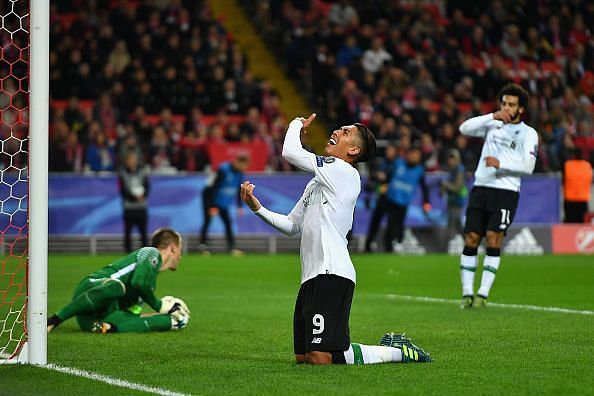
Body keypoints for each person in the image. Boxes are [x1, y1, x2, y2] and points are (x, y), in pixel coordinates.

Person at [241, 113, 432, 365]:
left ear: (353, 150)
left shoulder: (343, 171)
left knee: (321, 357)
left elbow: (289, 152)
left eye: (346, 132)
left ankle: (397, 352)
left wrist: (296, 124)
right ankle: (392, 349)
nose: (339, 130)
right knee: (304, 357)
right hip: (311, 276)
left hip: (332, 273)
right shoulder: (317, 183)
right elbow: (291, 225)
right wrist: (257, 208)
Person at [458, 83, 538, 309]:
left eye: (511, 104)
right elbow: (464, 128)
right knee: (471, 238)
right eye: (503, 103)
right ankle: (466, 293)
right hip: (481, 186)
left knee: (494, 237)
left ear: (520, 109)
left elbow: (528, 166)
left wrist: (501, 164)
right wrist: (492, 116)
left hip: (506, 190)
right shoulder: (491, 125)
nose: (506, 108)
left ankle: (483, 293)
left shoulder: (528, 133)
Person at [47, 228, 189, 333]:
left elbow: (132, 314)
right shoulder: (151, 253)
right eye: (180, 251)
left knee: (173, 321)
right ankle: (54, 320)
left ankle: (108, 328)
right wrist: (159, 305)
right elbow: (138, 283)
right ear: (173, 248)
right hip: (89, 290)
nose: (180, 257)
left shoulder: (150, 285)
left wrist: (163, 314)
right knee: (116, 287)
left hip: (90, 321)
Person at [384, 144, 431, 253]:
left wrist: (426, 201)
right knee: (390, 222)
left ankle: (398, 243)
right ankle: (388, 246)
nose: (415, 157)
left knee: (400, 223)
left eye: (417, 156)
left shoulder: (419, 170)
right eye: (413, 155)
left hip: (404, 200)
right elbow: (388, 175)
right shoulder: (398, 163)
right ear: (408, 155)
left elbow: (424, 187)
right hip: (390, 198)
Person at [199, 154, 249, 255]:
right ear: (236, 162)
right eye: (243, 165)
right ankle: (203, 247)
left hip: (222, 202)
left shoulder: (240, 173)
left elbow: (239, 189)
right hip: (210, 198)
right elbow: (213, 187)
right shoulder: (223, 169)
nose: (244, 167)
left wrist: (240, 206)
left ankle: (232, 248)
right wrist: (212, 206)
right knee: (208, 221)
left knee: (228, 223)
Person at [364, 143, 397, 252]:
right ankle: (368, 245)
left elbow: (389, 177)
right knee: (375, 222)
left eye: (391, 150)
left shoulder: (397, 164)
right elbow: (375, 176)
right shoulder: (382, 163)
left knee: (391, 224)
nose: (389, 152)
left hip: (393, 198)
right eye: (388, 150)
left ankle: (389, 246)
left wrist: (383, 176)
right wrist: (378, 176)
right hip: (382, 197)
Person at [119, 152, 150, 252]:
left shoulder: (142, 172)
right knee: (128, 233)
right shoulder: (122, 174)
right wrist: (134, 198)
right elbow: (122, 190)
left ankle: (145, 255)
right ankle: (127, 254)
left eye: (133, 159)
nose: (132, 162)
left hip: (141, 207)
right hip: (129, 207)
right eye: (130, 160)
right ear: (127, 162)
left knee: (143, 233)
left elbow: (148, 186)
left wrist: (143, 196)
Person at [440, 148, 468, 242]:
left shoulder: (459, 169)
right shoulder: (453, 169)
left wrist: (445, 184)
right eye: (449, 158)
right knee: (457, 225)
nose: (450, 160)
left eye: (452, 158)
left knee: (451, 225)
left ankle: (444, 248)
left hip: (457, 200)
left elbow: (457, 187)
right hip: (453, 200)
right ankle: (470, 244)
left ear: (457, 158)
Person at [563, 148, 593, 223]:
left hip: (570, 199)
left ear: (573, 155)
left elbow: (563, 180)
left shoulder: (567, 165)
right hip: (583, 199)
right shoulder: (587, 165)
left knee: (570, 222)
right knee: (581, 223)